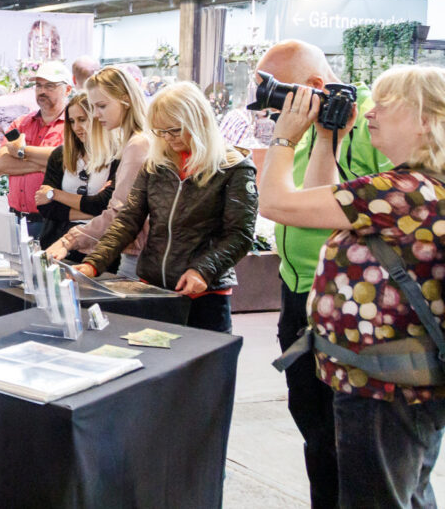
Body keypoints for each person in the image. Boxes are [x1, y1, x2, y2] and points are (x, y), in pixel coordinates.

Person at [258, 66, 445, 508]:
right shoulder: (411, 189)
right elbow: (317, 198)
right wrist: (327, 138)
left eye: (386, 104)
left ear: (426, 119)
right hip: (392, 381)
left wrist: (284, 137)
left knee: (376, 499)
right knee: (404, 492)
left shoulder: (405, 192)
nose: (371, 113)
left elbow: (277, 203)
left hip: (385, 388)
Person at [255, 39, 391, 509]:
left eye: (281, 94)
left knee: (360, 445)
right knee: (315, 429)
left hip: (352, 305)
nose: (274, 108)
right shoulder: (323, 125)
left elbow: (292, 204)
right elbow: (308, 197)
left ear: (313, 85)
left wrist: (288, 139)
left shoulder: (378, 129)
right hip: (299, 296)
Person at [73, 82, 258, 332]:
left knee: (202, 367)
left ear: (198, 121)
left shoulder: (234, 168)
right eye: (160, 132)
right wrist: (94, 263)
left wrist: (202, 271)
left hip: (206, 296)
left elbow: (240, 234)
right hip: (153, 288)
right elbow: (128, 219)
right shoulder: (155, 165)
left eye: (174, 130)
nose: (168, 139)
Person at [46, 67, 150, 278]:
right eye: (93, 107)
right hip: (133, 252)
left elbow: (118, 211)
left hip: (140, 256)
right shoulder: (133, 142)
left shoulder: (138, 144)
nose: (96, 114)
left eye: (101, 106)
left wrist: (70, 239)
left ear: (125, 100)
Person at [0, 60, 71, 239]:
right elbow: (2, 163)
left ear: (67, 90)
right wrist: (43, 165)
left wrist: (21, 154)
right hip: (16, 219)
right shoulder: (22, 122)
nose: (42, 91)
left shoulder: (74, 125)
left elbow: (66, 162)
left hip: (53, 221)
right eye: (38, 86)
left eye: (50, 86)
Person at [35, 93, 111, 253]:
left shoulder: (117, 157)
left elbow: (104, 204)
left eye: (82, 119)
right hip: (56, 242)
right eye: (72, 121)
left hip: (100, 248)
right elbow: (47, 208)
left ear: (98, 117)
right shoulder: (59, 155)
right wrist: (94, 214)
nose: (76, 127)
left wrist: (54, 194)